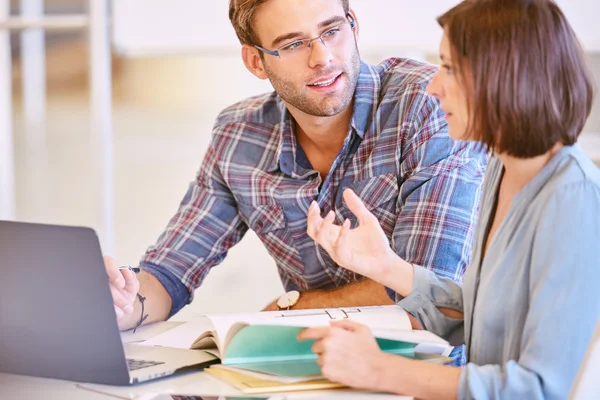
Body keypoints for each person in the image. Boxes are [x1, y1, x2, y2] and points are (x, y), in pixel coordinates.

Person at [106, 0, 487, 340]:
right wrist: (124, 304)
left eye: (332, 31)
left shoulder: (427, 105)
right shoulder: (240, 136)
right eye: (292, 44)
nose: (322, 57)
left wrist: (294, 309)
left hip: (426, 368)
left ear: (353, 24)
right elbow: (170, 272)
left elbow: (434, 296)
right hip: (309, 369)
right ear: (256, 61)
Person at [299, 0, 600, 398]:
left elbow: (539, 388)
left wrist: (378, 369)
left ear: (506, 77)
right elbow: (477, 317)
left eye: (451, 68)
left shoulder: (574, 198)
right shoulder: (502, 168)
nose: (432, 86)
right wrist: (387, 267)